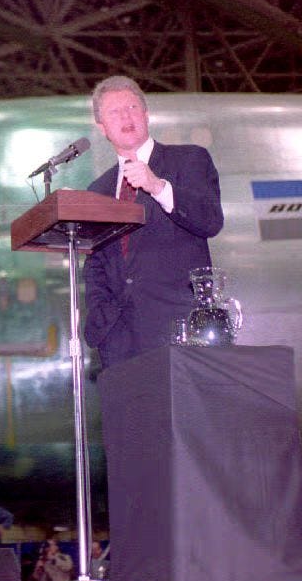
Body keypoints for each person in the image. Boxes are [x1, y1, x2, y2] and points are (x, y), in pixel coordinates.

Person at [82, 75, 224, 368]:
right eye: (114, 112)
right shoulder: (98, 189)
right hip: (119, 339)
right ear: (102, 128)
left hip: (181, 328)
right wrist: (101, 314)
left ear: (146, 115)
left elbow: (210, 221)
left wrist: (158, 186)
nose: (126, 116)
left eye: (132, 108)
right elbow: (96, 264)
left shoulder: (188, 160)